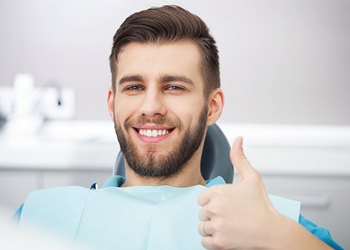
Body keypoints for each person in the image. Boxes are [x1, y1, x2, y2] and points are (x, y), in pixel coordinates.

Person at [13, 5, 342, 250]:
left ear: (212, 106)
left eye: (174, 87)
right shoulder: (39, 216)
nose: (152, 107)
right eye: (134, 87)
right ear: (112, 104)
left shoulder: (275, 224)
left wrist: (280, 236)